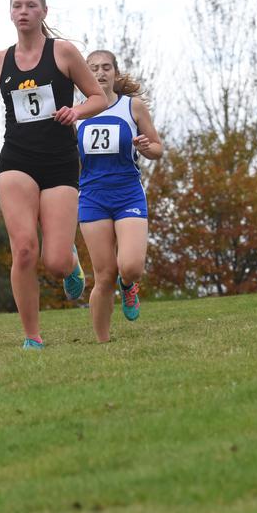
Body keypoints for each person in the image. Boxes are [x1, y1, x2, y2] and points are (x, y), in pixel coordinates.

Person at [0, 0, 107, 350]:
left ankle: (69, 260)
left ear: (43, 13)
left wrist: (76, 111)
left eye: (30, 6)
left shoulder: (64, 53)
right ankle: (32, 336)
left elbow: (97, 97)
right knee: (23, 249)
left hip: (60, 162)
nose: (23, 11)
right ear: (10, 13)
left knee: (53, 261)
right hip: (17, 160)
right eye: (17, 6)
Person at [76, 50, 163, 342]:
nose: (100, 73)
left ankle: (129, 286)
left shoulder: (132, 107)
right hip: (92, 197)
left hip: (127, 194)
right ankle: (102, 342)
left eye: (106, 68)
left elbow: (158, 149)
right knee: (103, 275)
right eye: (93, 69)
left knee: (130, 267)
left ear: (115, 72)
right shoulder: (76, 113)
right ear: (84, 75)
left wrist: (145, 147)